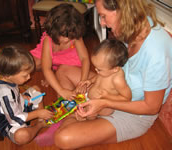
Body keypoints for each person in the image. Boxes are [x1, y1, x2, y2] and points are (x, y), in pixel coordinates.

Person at [53, 0, 172, 149]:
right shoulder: (134, 26)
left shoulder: (157, 51)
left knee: (63, 138)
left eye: (103, 16)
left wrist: (104, 102)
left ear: (122, 11)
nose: (102, 23)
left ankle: (76, 114)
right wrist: (93, 80)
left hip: (134, 112)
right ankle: (79, 112)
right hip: (111, 83)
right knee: (64, 70)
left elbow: (151, 107)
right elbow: (114, 69)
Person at [0, 45, 53, 145]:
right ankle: (40, 124)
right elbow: (14, 119)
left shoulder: (6, 76)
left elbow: (13, 91)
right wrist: (37, 113)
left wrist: (21, 97)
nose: (29, 77)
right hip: (10, 122)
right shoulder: (4, 94)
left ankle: (41, 116)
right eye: (25, 75)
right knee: (22, 136)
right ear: (8, 75)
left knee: (36, 89)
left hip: (18, 105)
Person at [30, 3, 94, 100]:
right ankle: (54, 73)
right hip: (55, 59)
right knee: (30, 64)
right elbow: (46, 68)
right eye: (63, 35)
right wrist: (61, 90)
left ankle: (56, 74)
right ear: (53, 30)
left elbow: (84, 58)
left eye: (70, 36)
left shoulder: (76, 36)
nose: (66, 39)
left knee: (64, 77)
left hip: (70, 64)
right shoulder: (48, 39)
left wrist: (83, 80)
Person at [79, 39, 131, 120]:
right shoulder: (106, 71)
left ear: (115, 69)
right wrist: (90, 81)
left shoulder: (117, 80)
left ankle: (90, 122)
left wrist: (107, 95)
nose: (96, 70)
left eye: (99, 69)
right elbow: (98, 76)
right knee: (79, 101)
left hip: (104, 107)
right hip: (92, 99)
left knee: (88, 115)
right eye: (95, 67)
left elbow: (127, 98)